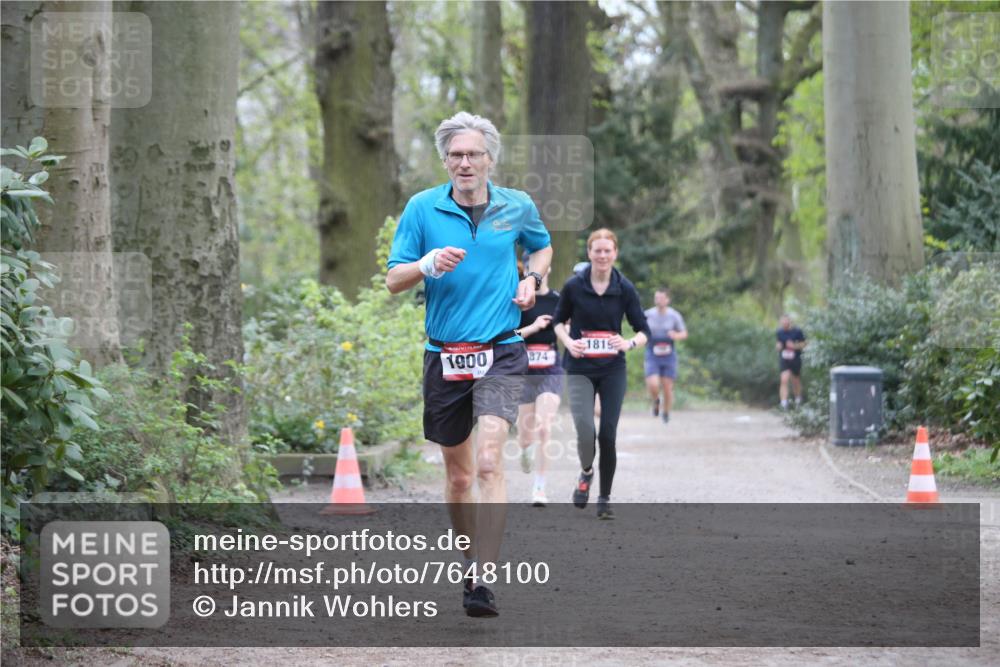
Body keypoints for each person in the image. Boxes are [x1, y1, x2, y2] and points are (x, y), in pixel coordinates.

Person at [386, 111, 553, 617]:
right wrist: (426, 264)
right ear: (445, 161)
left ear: (490, 159)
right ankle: (467, 562)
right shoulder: (422, 209)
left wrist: (532, 281)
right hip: (445, 355)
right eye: (456, 155)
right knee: (459, 478)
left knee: (488, 462)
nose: (465, 163)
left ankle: (485, 577)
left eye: (473, 154)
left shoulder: (515, 206)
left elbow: (542, 248)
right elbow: (393, 279)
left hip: (501, 349)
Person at [553, 229, 649, 520]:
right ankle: (586, 472)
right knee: (585, 431)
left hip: (612, 369)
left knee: (607, 434)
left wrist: (629, 343)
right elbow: (558, 322)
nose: (603, 256)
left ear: (615, 253)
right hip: (580, 367)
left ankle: (604, 499)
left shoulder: (624, 288)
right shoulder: (574, 286)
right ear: (589, 253)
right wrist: (570, 342)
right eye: (598, 251)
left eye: (608, 251)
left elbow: (645, 330)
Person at [514, 260, 562, 507]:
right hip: (523, 371)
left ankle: (540, 487)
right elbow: (508, 335)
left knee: (544, 427)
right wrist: (533, 328)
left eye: (541, 264)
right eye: (530, 264)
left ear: (548, 268)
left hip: (551, 370)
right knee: (525, 438)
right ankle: (524, 450)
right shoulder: (517, 299)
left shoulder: (560, 301)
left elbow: (571, 331)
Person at [644, 287, 688, 424]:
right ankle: (656, 400)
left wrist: (675, 335)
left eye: (662, 298)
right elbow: (640, 329)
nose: (659, 301)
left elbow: (684, 333)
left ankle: (666, 412)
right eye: (657, 298)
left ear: (667, 300)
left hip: (668, 353)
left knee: (667, 387)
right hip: (652, 351)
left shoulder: (674, 315)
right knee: (653, 384)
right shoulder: (647, 314)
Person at [776, 314, 807, 409]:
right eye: (782, 322)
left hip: (795, 359)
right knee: (784, 379)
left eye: (786, 322)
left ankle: (798, 400)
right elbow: (778, 344)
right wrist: (778, 347)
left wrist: (794, 346)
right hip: (784, 358)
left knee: (795, 380)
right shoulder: (779, 332)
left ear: (789, 322)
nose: (784, 324)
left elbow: (804, 344)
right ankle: (783, 403)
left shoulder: (797, 331)